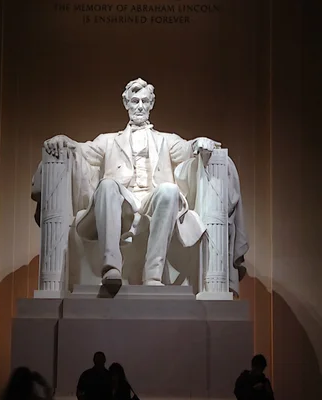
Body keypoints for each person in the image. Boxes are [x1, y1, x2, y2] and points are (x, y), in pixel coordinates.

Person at [38, 78, 248, 293]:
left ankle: (153, 274)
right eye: (135, 101)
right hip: (121, 203)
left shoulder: (166, 140)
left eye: (144, 102)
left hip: (153, 201)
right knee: (108, 184)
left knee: (169, 189)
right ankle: (111, 268)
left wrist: (199, 141)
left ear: (151, 104)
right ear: (126, 103)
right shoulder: (108, 140)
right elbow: (82, 150)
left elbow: (187, 148)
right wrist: (64, 141)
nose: (140, 106)